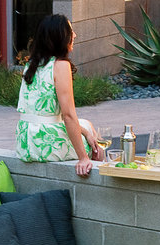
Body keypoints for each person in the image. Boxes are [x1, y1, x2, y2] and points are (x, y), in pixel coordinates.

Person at [16, 13, 102, 178]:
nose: (74, 35)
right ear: (60, 37)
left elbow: (52, 115)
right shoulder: (60, 65)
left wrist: (85, 132)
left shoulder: (31, 64)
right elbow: (68, 115)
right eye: (71, 31)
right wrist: (83, 157)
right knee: (98, 148)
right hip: (42, 144)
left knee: (86, 127)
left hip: (25, 141)